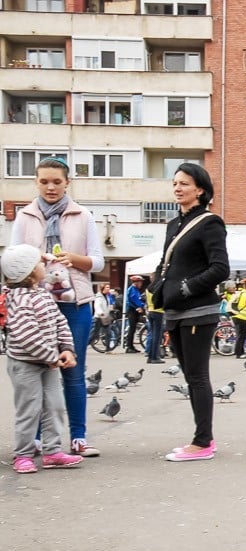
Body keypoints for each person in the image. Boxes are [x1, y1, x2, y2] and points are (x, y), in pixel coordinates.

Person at [10, 156, 104, 457]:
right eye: (44, 181)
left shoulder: (83, 215)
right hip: (33, 305)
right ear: (36, 182)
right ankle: (36, 439)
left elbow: (98, 262)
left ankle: (78, 436)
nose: (50, 187)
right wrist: (37, 260)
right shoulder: (25, 216)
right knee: (37, 371)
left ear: (67, 183)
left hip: (75, 303)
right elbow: (12, 261)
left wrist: (71, 260)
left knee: (73, 373)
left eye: (57, 181)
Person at [151, 162, 229, 462]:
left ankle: (203, 442)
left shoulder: (210, 223)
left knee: (197, 376)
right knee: (189, 375)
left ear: (200, 189)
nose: (177, 188)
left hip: (199, 310)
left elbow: (221, 268)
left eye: (184, 183)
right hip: (174, 311)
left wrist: (187, 287)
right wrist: (157, 282)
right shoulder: (174, 224)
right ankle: (202, 438)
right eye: (175, 183)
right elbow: (165, 261)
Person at [2, 244, 84, 473]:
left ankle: (52, 451)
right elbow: (27, 335)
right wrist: (52, 357)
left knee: (55, 407)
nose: (44, 266)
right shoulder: (18, 299)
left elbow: (60, 322)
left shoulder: (43, 295)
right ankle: (23, 454)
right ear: (27, 272)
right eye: (38, 263)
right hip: (25, 364)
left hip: (48, 363)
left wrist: (67, 348)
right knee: (29, 409)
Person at [145, 273, 165, 364]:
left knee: (152, 334)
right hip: (158, 312)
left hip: (150, 311)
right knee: (157, 336)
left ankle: (150, 356)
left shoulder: (148, 288)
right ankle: (155, 357)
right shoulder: (157, 288)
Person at [124, 274, 146, 353]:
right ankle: (129, 346)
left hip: (134, 310)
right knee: (132, 329)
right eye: (140, 282)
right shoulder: (132, 289)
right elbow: (134, 300)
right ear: (136, 282)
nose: (141, 284)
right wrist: (140, 306)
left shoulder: (134, 289)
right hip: (132, 311)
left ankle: (131, 346)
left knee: (132, 329)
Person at [92, 283, 115, 349]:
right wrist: (100, 312)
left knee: (108, 333)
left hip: (105, 317)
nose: (108, 289)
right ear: (103, 289)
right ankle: (84, 345)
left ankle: (108, 349)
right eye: (107, 287)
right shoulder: (99, 297)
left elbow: (108, 305)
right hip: (99, 317)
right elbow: (97, 306)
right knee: (94, 334)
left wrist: (110, 310)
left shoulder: (107, 296)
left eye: (109, 287)